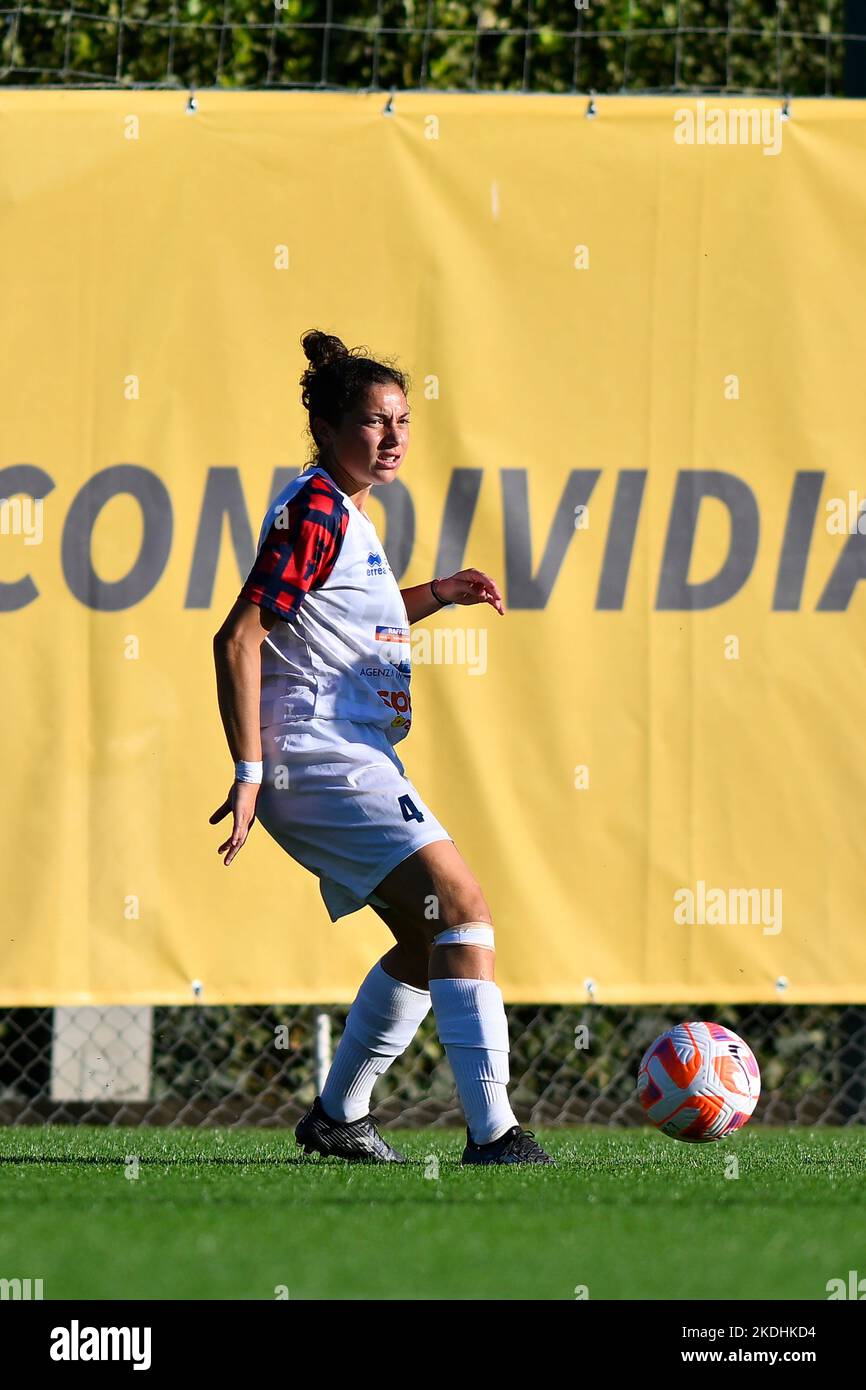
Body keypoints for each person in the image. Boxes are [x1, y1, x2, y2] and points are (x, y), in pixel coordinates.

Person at [211, 329, 553, 1166]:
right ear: (328, 428)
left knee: (424, 935)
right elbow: (238, 638)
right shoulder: (319, 508)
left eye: (401, 420)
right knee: (463, 908)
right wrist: (250, 771)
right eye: (372, 421)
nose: (393, 437)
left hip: (344, 748)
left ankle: (338, 1117)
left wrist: (435, 593)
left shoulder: (342, 510)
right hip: (316, 751)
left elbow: (338, 619)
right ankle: (496, 1137)